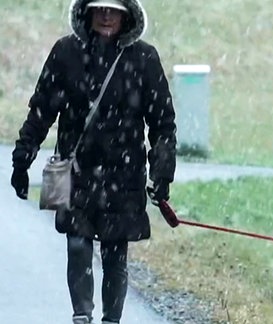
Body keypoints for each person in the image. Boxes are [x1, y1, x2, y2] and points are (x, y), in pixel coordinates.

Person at [10, 0, 177, 323]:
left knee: (116, 254)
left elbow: (162, 124)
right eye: (99, 7)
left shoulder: (144, 58)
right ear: (86, 11)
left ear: (126, 14)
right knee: (77, 244)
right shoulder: (65, 53)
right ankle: (81, 316)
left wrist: (162, 172)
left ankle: (111, 320)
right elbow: (41, 110)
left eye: (112, 9)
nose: (105, 15)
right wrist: (22, 159)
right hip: (76, 171)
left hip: (125, 174)